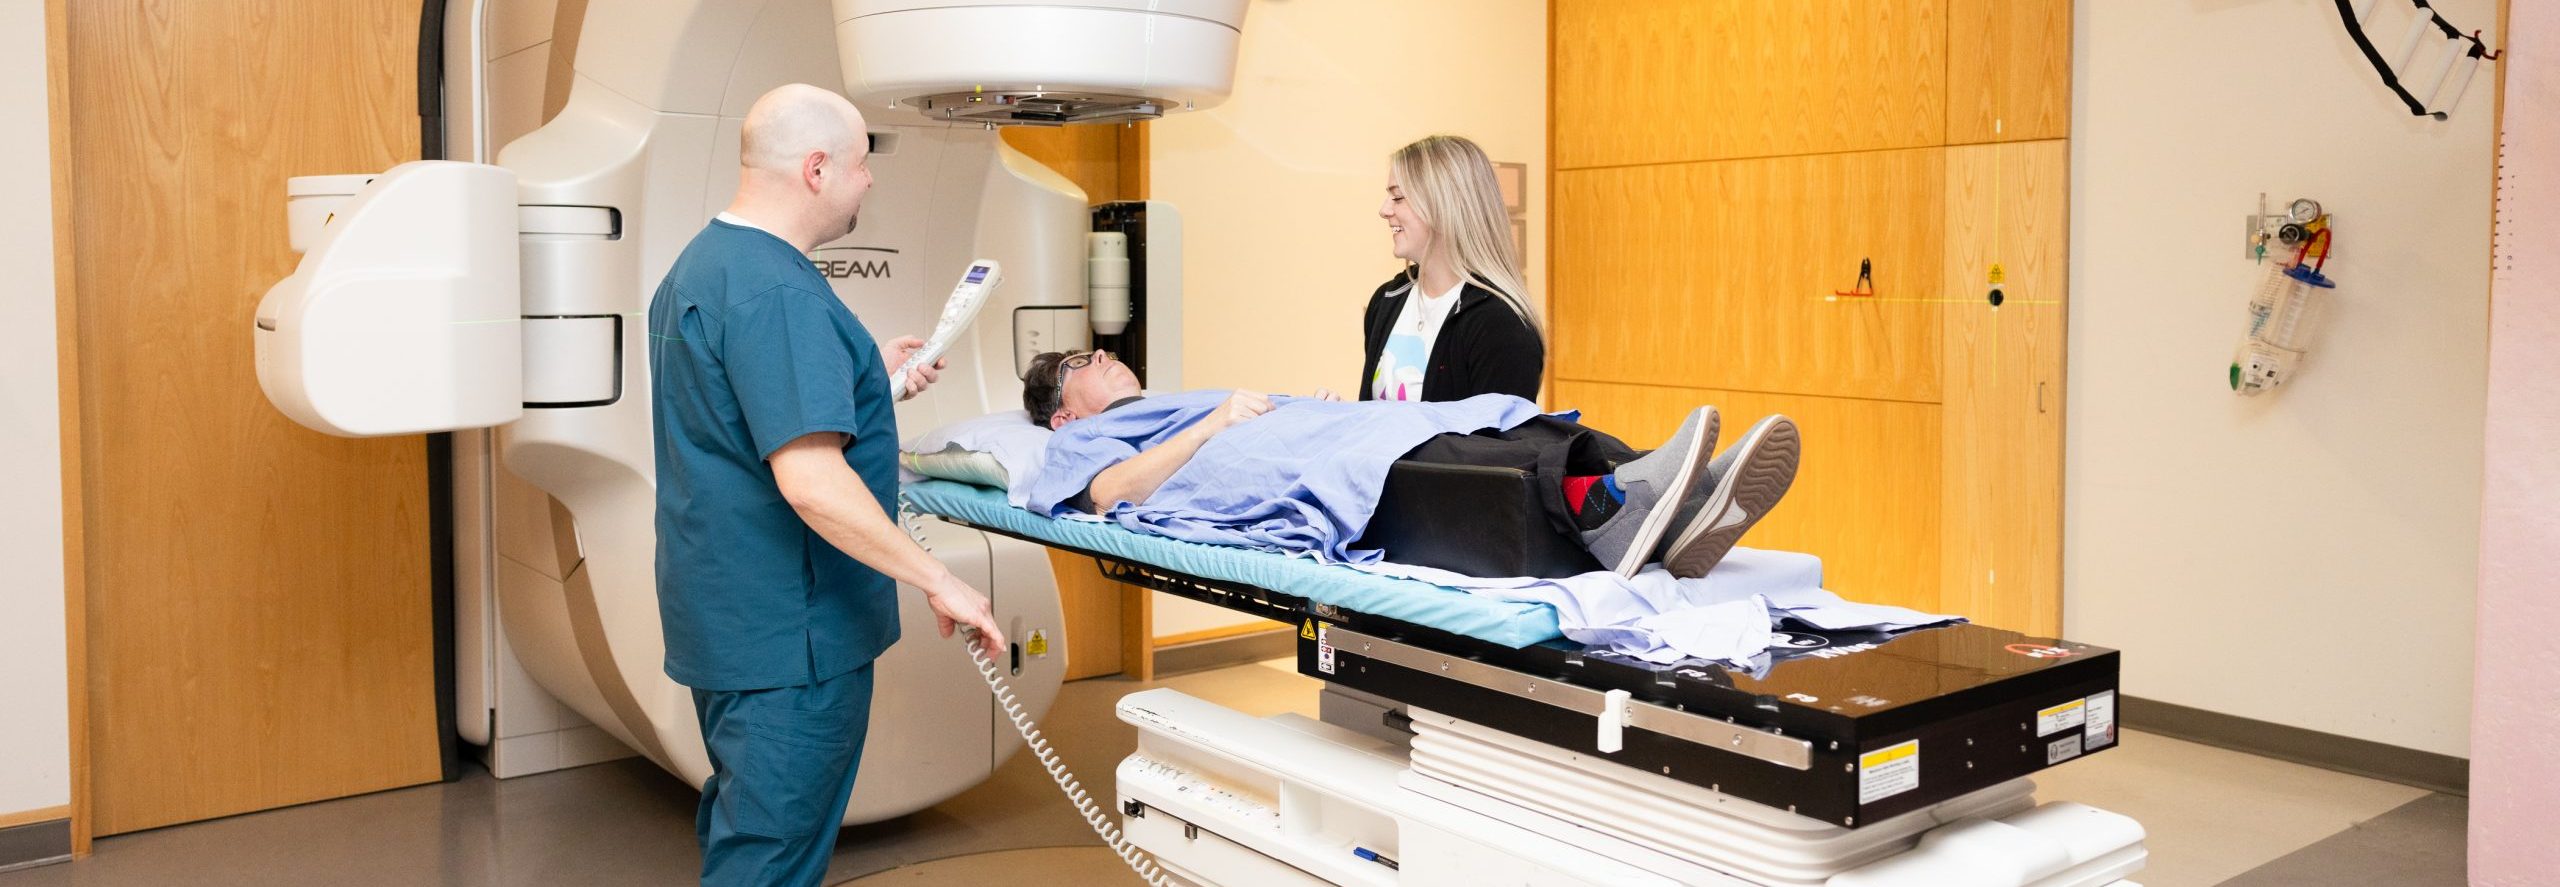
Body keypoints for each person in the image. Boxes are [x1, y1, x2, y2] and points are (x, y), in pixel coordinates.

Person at [647, 83, 1007, 887]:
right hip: (792, 638)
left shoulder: (707, 263)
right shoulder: (780, 292)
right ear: (816, 169)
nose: (868, 182)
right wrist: (940, 578)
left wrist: (868, 376)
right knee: (771, 859)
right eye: (859, 164)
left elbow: (736, 408)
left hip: (729, 617)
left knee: (748, 828)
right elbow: (810, 481)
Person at [1019, 350, 1801, 580]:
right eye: (1089, 358)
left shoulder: (1165, 398)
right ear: (1065, 409)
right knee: (1434, 447)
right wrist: (1216, 426)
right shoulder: (1078, 440)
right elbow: (1107, 495)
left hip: (1277, 430)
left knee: (1480, 411)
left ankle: (1680, 487)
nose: (1109, 354)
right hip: (1237, 459)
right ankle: (1613, 510)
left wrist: (1299, 409)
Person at [1361, 135, 1544, 404]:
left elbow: (1495, 445)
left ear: (1444, 205)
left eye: (1398, 197)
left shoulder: (1501, 324)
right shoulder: (1386, 300)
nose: (1384, 210)